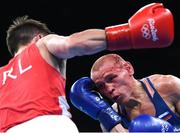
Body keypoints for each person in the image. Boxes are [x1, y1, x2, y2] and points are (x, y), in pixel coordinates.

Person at [0, 2, 174, 132]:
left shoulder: (2, 75)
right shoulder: (42, 44)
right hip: (49, 124)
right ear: (38, 38)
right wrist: (128, 34)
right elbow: (73, 43)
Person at [70, 53, 180, 132]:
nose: (109, 89)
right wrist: (108, 120)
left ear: (129, 68)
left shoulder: (169, 86)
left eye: (111, 78)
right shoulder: (111, 116)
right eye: (100, 86)